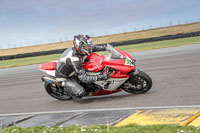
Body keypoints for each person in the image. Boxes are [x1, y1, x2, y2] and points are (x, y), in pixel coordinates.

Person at [55, 34, 108, 99]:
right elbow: (83, 78)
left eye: (89, 46)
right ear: (79, 46)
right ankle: (67, 89)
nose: (89, 48)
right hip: (65, 76)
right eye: (86, 47)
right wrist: (100, 77)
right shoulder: (75, 59)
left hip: (73, 68)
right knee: (81, 92)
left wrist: (105, 47)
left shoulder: (79, 49)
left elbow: (92, 48)